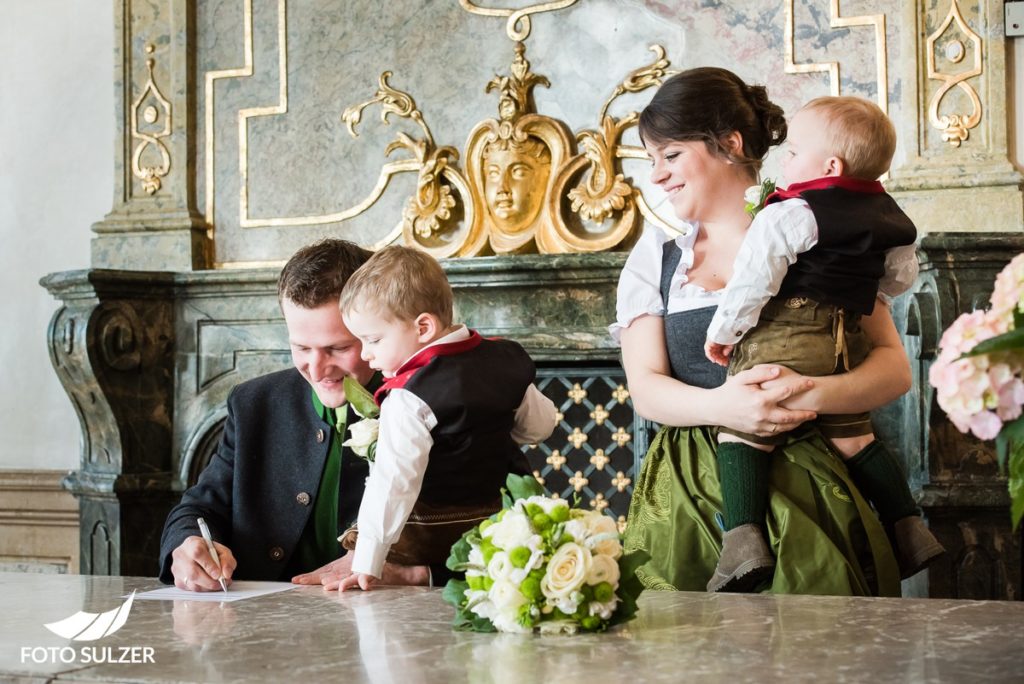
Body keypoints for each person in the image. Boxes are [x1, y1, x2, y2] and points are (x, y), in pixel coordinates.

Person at [616, 67, 912, 596]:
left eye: (671, 154)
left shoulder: (820, 232)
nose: (657, 175)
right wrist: (726, 408)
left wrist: (815, 393)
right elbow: (645, 387)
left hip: (815, 488)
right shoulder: (654, 261)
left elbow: (893, 366)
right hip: (687, 497)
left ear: (729, 144)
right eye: (652, 160)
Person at [700, 96, 943, 591]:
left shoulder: (791, 213)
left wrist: (723, 333)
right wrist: (856, 295)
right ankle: (909, 526)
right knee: (855, 437)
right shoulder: (893, 216)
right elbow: (897, 278)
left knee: (741, 431)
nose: (784, 163)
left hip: (787, 338)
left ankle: (743, 543)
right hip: (845, 343)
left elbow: (754, 282)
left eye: (792, 153)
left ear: (830, 165)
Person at [159, 239, 433, 591]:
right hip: (262, 627)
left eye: (338, 348)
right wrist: (185, 546)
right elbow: (198, 509)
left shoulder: (439, 400)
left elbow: (505, 523)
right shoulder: (254, 403)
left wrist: (416, 573)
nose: (317, 369)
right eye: (301, 348)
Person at [335, 245, 557, 591]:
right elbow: (540, 426)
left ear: (423, 327)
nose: (366, 354)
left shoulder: (409, 396)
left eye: (373, 339)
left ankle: (415, 573)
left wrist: (368, 561)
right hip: (502, 521)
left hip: (435, 529)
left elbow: (394, 481)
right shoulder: (504, 358)